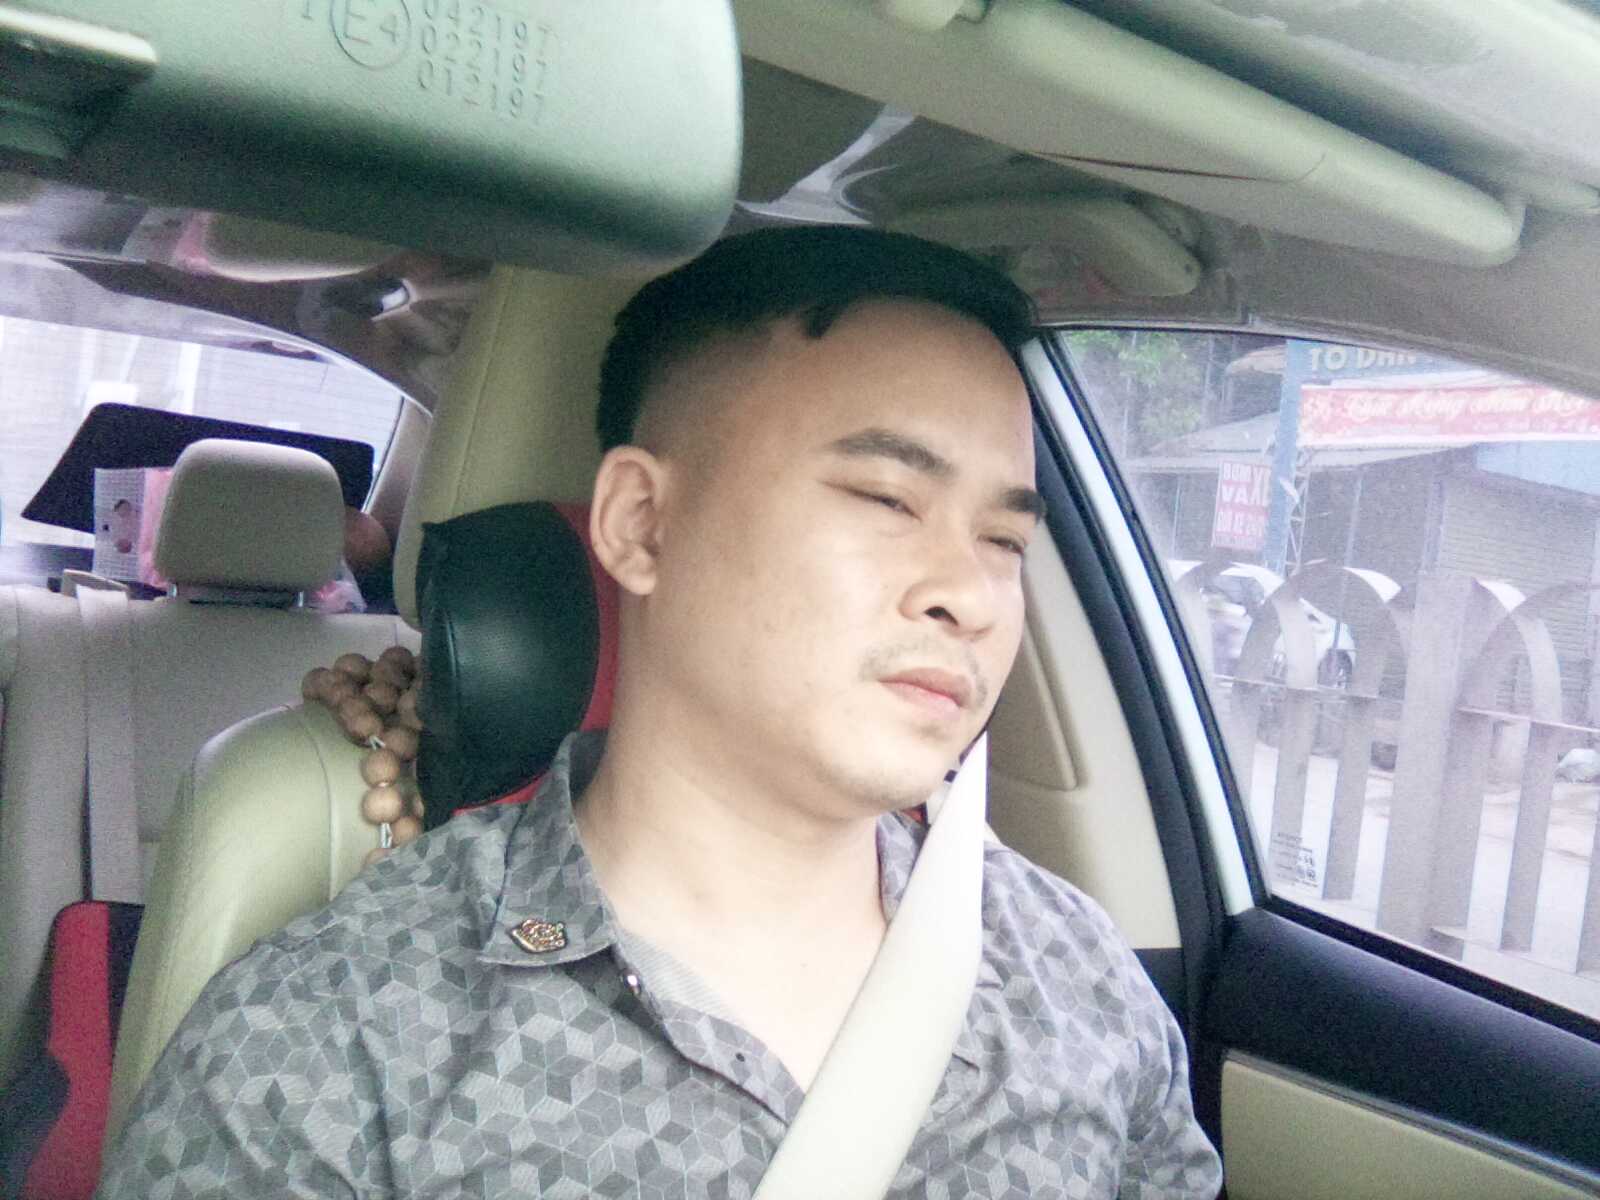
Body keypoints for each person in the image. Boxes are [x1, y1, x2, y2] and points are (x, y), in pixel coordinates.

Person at [99, 226, 1223, 1198]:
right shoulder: (334, 1043)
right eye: (888, 499)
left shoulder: (1076, 981)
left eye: (1005, 540)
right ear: (640, 524)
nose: (969, 595)